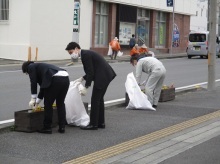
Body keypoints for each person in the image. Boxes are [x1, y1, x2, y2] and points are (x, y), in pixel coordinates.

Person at [65, 42, 116, 130]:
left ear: (76, 48)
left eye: (71, 52)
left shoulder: (85, 55)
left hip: (102, 77)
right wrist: (82, 78)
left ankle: (93, 124)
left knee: (95, 100)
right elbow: (92, 70)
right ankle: (100, 123)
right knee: (99, 100)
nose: (71, 55)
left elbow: (91, 72)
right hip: (106, 75)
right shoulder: (86, 53)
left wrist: (86, 86)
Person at [22, 61, 70, 134]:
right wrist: (37, 102)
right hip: (65, 78)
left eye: (27, 73)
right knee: (60, 103)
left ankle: (47, 128)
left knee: (48, 105)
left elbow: (33, 82)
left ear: (26, 69)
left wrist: (33, 98)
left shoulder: (31, 67)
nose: (28, 74)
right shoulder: (42, 68)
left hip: (55, 79)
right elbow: (43, 87)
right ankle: (62, 127)